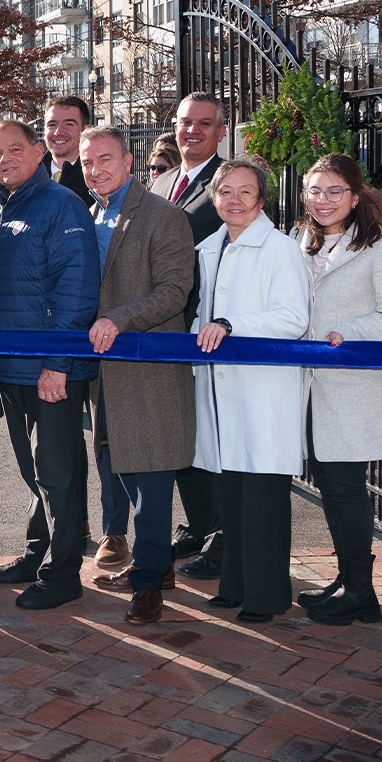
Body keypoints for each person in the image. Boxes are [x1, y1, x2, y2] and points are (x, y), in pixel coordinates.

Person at [77, 128, 197, 625]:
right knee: (123, 471)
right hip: (104, 376)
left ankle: (148, 584)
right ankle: (157, 564)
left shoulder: (164, 216)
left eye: (105, 159)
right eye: (87, 163)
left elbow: (174, 292)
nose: (95, 170)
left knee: (150, 483)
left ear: (129, 160)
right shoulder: (91, 213)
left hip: (147, 373)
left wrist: (119, 319)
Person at [0, 119, 101, 610]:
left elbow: (76, 290)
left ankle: (63, 573)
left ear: (37, 152)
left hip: (49, 369)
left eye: (15, 149)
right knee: (36, 471)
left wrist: (57, 363)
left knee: (58, 472)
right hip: (12, 365)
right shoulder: (8, 205)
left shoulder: (59, 204)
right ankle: (38, 553)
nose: (5, 159)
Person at [291, 153, 382, 627]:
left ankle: (362, 592)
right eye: (314, 191)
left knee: (346, 489)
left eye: (334, 191)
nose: (323, 201)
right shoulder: (301, 241)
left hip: (353, 387)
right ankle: (347, 580)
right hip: (310, 389)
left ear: (357, 195)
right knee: (330, 487)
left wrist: (345, 332)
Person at [190, 157, 310, 625]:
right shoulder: (208, 249)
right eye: (226, 192)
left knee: (262, 500)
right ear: (214, 197)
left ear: (261, 199)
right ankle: (234, 586)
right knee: (231, 498)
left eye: (246, 192)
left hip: (262, 392)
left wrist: (231, 324)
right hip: (221, 392)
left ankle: (268, 595)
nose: (235, 201)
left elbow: (293, 318)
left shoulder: (280, 250)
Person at [149, 92, 228, 579]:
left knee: (211, 437)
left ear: (221, 130)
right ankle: (200, 526)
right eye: (184, 123)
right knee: (181, 434)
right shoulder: (160, 183)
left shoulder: (228, 186)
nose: (192, 131)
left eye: (204, 123)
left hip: (205, 331)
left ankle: (222, 535)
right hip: (164, 333)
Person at [42, 95, 93, 204]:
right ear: (44, 132)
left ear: (86, 131)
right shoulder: (28, 176)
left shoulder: (98, 180)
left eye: (69, 124)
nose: (58, 132)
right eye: (52, 124)